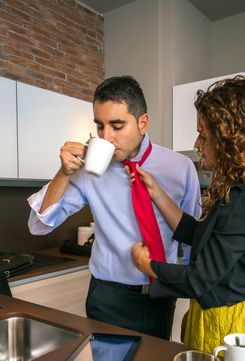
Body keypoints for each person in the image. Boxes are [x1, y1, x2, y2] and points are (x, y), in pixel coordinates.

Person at [130, 74, 245, 361]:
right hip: (218, 317)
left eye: (203, 135)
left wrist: (149, 266)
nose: (197, 144)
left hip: (236, 328)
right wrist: (157, 192)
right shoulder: (239, 190)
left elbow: (199, 278)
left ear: (230, 140)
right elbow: (196, 234)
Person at [27, 75, 201, 340]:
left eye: (117, 126)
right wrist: (63, 173)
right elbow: (38, 225)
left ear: (143, 123)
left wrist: (194, 303)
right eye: (99, 126)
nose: (106, 137)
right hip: (108, 297)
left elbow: (191, 242)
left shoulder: (180, 168)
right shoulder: (89, 168)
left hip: (161, 295)